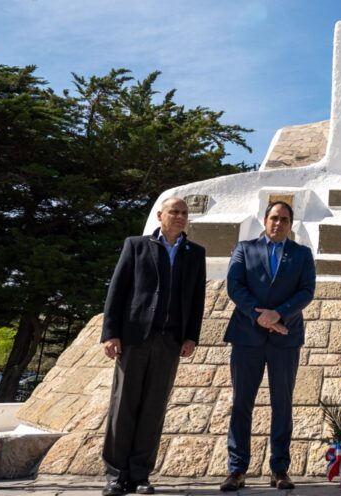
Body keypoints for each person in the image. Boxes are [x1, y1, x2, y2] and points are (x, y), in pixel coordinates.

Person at [99, 196, 207, 496]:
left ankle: (141, 473)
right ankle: (116, 474)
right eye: (174, 212)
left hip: (169, 341)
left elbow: (197, 299)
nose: (180, 217)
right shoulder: (136, 245)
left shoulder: (195, 253)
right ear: (161, 215)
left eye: (184, 213)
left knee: (153, 409)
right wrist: (111, 333)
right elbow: (117, 291)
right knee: (124, 406)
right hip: (135, 337)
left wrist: (191, 336)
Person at [220, 201, 316, 492]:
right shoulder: (244, 249)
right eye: (274, 218)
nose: (278, 223)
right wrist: (260, 315)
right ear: (265, 220)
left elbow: (307, 290)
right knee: (241, 404)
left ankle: (280, 469)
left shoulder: (301, 254)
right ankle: (237, 470)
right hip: (247, 336)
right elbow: (235, 286)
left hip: (285, 338)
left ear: (291, 224)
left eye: (284, 219)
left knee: (282, 404)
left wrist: (280, 314)